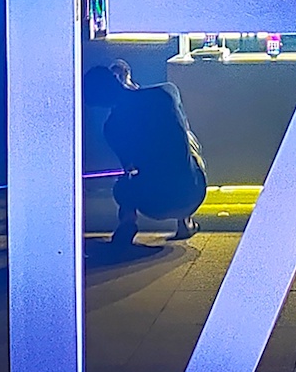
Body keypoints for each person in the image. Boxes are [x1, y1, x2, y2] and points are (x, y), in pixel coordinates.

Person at [83, 60, 207, 247]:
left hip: (153, 205)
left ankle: (127, 221)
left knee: (125, 181)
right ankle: (185, 222)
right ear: (116, 79)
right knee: (186, 141)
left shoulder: (111, 128)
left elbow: (130, 168)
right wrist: (130, 87)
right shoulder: (166, 92)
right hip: (193, 193)